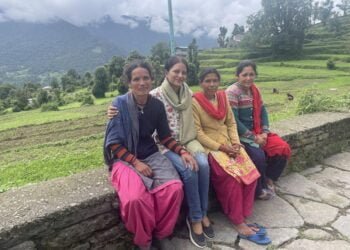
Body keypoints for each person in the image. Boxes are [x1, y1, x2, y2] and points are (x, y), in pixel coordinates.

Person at [108, 56, 213, 248]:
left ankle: (162, 233)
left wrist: (183, 152)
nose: (142, 83)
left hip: (151, 155)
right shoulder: (120, 104)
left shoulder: (156, 105)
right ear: (129, 82)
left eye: (145, 78)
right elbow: (114, 143)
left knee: (174, 188)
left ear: (152, 79)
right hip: (124, 159)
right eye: (136, 79)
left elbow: (165, 137)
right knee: (134, 200)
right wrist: (136, 162)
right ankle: (144, 241)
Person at [192, 68, 271, 245]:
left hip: (230, 144)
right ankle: (238, 221)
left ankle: (243, 214)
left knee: (250, 173)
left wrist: (236, 143)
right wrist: (222, 147)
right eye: (207, 81)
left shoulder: (222, 97)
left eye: (215, 80)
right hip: (213, 148)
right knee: (232, 179)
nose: (212, 84)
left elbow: (231, 122)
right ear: (201, 83)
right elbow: (198, 132)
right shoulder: (195, 102)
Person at [226, 60, 291, 200]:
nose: (248, 78)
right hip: (241, 135)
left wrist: (265, 132)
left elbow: (263, 111)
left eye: (251, 74)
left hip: (259, 131)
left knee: (283, 148)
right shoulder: (232, 92)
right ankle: (259, 189)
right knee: (258, 157)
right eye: (244, 75)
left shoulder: (255, 90)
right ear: (237, 75)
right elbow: (234, 121)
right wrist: (254, 137)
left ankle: (269, 178)